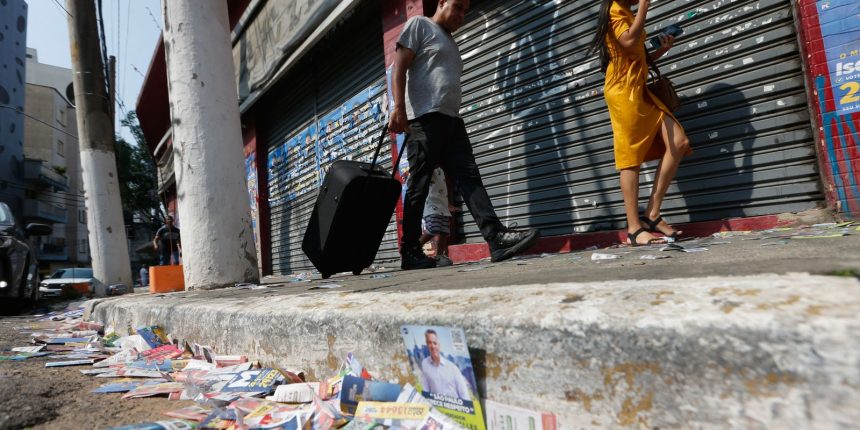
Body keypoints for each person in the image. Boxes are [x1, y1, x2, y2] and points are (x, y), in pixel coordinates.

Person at [389, 0, 540, 270]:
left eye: (465, 11)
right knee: (419, 185)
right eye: (457, 7)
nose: (461, 15)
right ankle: (410, 251)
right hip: (424, 119)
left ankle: (495, 238)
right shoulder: (419, 25)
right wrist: (398, 108)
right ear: (442, 2)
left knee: (470, 178)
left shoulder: (449, 40)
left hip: (452, 120)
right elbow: (399, 68)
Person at [588, 0, 692, 246]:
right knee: (631, 158)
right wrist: (645, 6)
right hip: (624, 93)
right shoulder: (615, 10)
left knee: (678, 141)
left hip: (639, 89)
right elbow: (626, 41)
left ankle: (652, 214)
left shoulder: (625, 11)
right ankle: (634, 229)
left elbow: (634, 55)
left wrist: (661, 51)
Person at [419, 329, 471, 399]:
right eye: (429, 343)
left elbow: (464, 394)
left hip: (454, 408)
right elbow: (426, 388)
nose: (432, 346)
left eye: (435, 343)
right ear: (427, 344)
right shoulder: (424, 364)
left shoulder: (453, 368)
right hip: (436, 406)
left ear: (439, 345)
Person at [420, 168, 455, 267]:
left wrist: (449, 204)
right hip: (431, 203)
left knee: (444, 230)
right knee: (433, 229)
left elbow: (444, 188)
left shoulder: (442, 169)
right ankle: (414, 249)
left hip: (442, 204)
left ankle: (439, 256)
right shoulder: (427, 166)